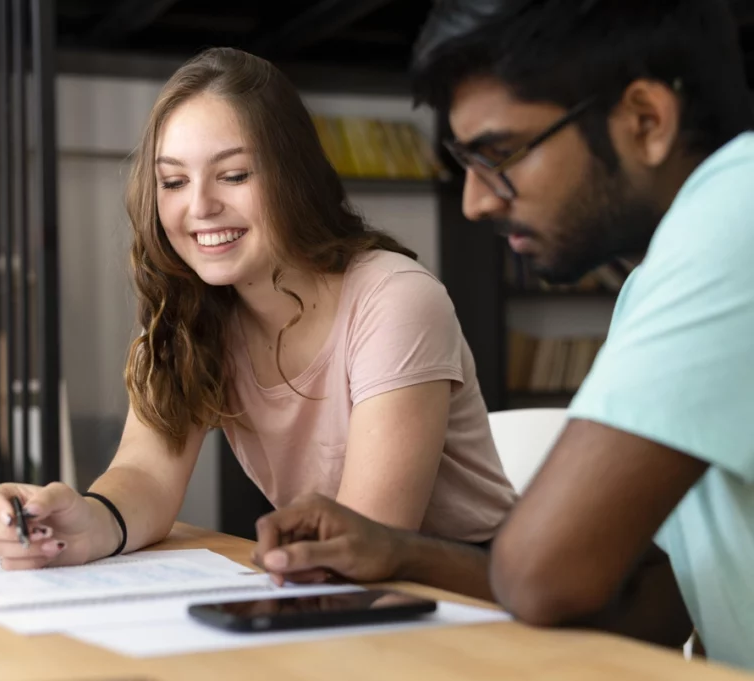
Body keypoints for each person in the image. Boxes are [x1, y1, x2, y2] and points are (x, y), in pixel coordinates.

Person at [250, 0, 754, 670]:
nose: (476, 201)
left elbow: (543, 574)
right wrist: (398, 551)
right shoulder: (658, 276)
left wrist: (484, 558)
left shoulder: (737, 213)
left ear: (646, 120)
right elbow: (651, 603)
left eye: (500, 154)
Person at [0, 48, 515, 572]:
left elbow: (370, 538)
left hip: (475, 593)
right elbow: (147, 475)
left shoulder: (394, 298)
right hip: (341, 587)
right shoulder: (189, 311)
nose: (200, 206)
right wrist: (79, 524)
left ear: (294, 176)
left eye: (234, 175)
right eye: (174, 182)